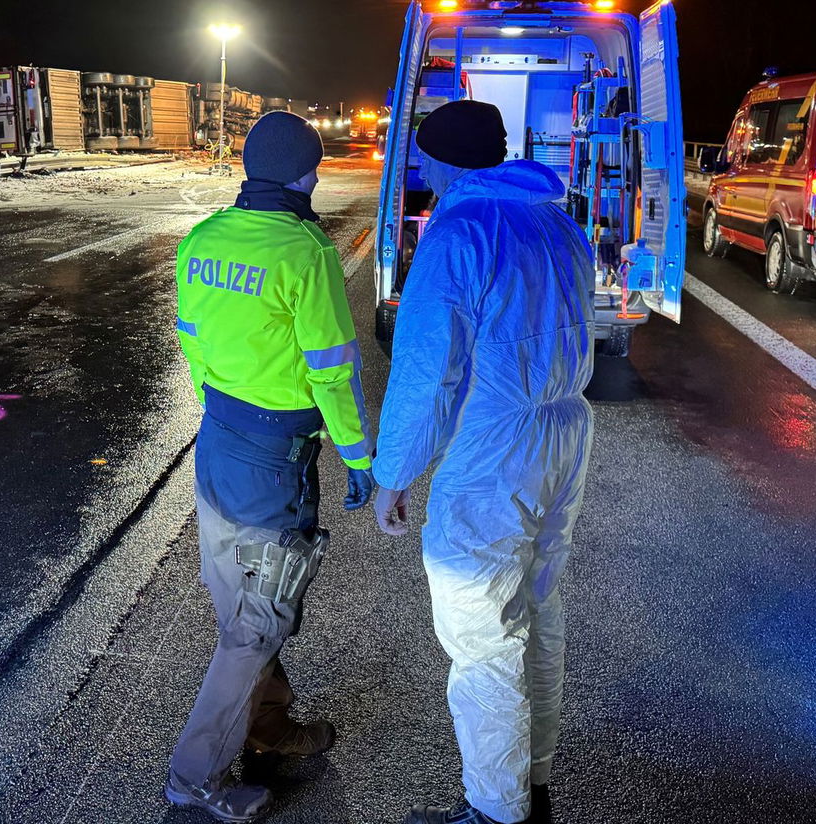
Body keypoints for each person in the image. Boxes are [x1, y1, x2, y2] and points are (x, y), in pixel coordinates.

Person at [371, 99, 595, 824]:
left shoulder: (459, 230)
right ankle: (532, 780)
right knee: (536, 604)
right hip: (563, 432)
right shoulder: (557, 223)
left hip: (497, 451)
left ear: (441, 160)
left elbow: (429, 369)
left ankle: (498, 812)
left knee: (482, 633)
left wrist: (395, 473)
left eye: (424, 156)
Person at [167, 110, 375, 822]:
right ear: (307, 174)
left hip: (219, 441)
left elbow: (190, 341)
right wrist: (356, 455)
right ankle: (195, 777)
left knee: (240, 600)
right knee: (257, 622)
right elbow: (331, 371)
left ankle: (269, 728)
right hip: (275, 458)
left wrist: (226, 408)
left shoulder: (202, 240)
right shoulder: (304, 251)